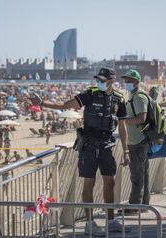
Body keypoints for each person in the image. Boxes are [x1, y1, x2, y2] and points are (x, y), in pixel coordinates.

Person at [30, 67, 129, 236]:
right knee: (88, 184)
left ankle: (111, 220)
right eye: (98, 80)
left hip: (106, 145)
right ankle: (89, 223)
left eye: (102, 81)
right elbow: (64, 105)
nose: (99, 83)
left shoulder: (119, 99)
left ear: (111, 81)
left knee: (110, 182)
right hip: (89, 145)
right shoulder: (90, 94)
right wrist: (42, 103)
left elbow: (122, 126)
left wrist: (126, 150)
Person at [121, 69, 151, 213]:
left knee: (137, 176)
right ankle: (143, 205)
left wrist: (124, 121)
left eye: (130, 80)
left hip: (138, 141)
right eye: (126, 80)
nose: (127, 83)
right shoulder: (134, 96)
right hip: (138, 140)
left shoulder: (139, 97)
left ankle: (134, 207)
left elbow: (141, 118)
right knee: (142, 174)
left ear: (137, 82)